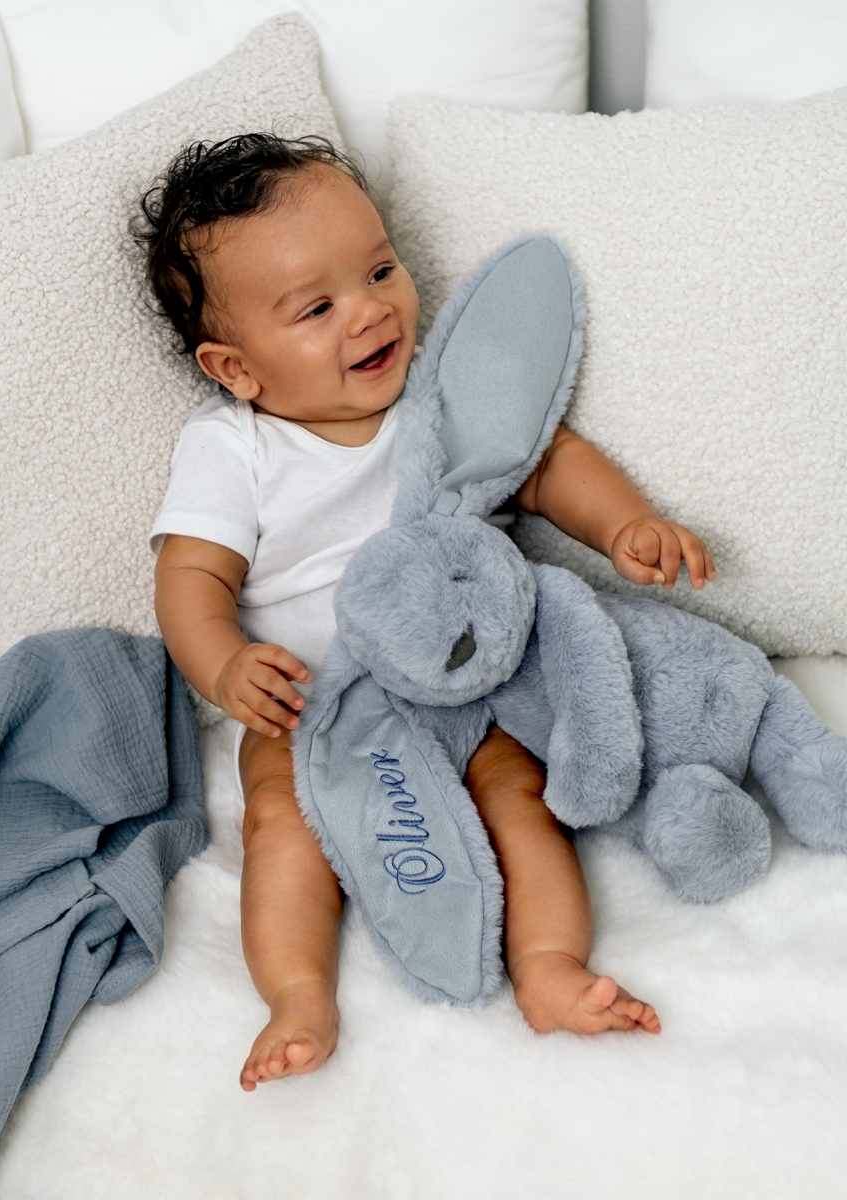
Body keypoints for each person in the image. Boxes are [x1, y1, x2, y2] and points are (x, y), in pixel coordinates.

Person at [140, 134, 715, 1091]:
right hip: (313, 707)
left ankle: (549, 966)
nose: (370, 311)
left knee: (523, 801)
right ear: (235, 368)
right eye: (317, 308)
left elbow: (544, 464)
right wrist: (226, 666)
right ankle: (297, 995)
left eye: (379, 271)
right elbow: (191, 577)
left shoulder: (436, 403)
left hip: (461, 689)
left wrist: (625, 524)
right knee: (280, 821)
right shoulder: (233, 449)